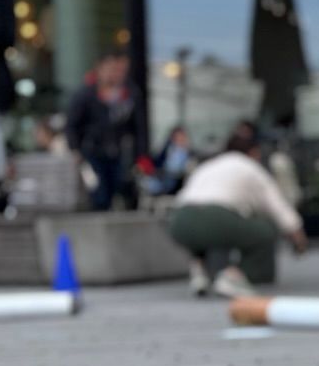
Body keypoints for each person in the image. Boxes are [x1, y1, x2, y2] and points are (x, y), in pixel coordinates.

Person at [167, 122, 306, 297]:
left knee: (210, 233)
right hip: (216, 217)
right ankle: (234, 276)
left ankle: (200, 270)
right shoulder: (249, 166)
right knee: (266, 230)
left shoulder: (209, 165)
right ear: (253, 152)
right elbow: (277, 206)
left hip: (180, 220)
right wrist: (297, 236)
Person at [66, 53, 142, 211]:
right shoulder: (85, 95)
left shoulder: (128, 95)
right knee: (99, 193)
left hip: (118, 153)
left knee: (122, 188)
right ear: (99, 69)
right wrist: (75, 149)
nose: (113, 74)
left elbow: (137, 127)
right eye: (109, 69)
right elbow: (72, 125)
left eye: (116, 70)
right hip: (93, 152)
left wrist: (140, 153)